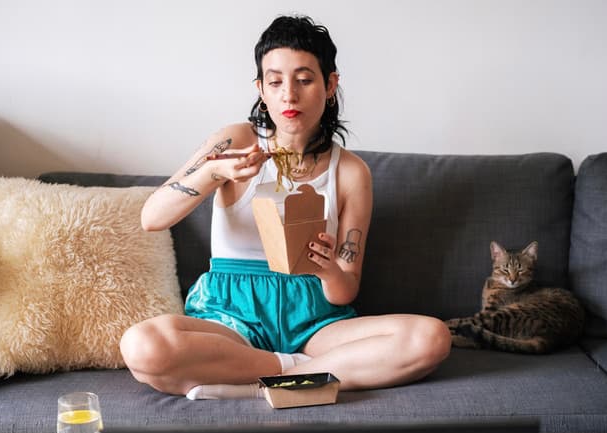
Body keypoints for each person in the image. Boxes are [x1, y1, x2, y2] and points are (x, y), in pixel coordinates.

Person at [120, 15, 451, 399]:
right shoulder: (234, 141)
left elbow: (345, 289)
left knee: (430, 338)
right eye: (275, 82)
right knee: (142, 345)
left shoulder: (351, 172)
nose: (288, 95)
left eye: (305, 80)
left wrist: (328, 270)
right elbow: (152, 217)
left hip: (314, 320)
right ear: (261, 88)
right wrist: (214, 172)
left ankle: (255, 383)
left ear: (330, 85)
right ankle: (295, 375)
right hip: (232, 316)